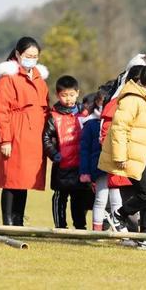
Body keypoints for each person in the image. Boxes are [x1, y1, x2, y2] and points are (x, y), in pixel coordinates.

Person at [100, 64, 146, 250]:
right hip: (132, 154)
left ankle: (145, 237)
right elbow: (119, 128)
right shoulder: (132, 98)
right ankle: (118, 216)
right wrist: (120, 155)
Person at [0, 36, 50, 226]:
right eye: (28, 55)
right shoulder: (8, 78)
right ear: (17, 54)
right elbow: (1, 111)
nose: (31, 59)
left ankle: (18, 220)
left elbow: (45, 107)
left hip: (34, 136)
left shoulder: (39, 79)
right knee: (11, 180)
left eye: (35, 56)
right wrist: (5, 140)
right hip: (16, 133)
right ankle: (8, 221)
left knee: (24, 181)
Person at [43, 75, 93, 229]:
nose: (68, 99)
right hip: (61, 164)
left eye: (71, 95)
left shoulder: (84, 114)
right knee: (60, 197)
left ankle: (80, 227)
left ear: (77, 93)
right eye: (64, 95)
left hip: (80, 164)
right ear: (58, 95)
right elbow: (46, 138)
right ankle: (60, 227)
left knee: (79, 197)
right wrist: (53, 154)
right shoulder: (53, 116)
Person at [79, 89, 122, 231]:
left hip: (116, 166)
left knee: (117, 200)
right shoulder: (90, 125)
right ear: (98, 102)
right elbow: (84, 150)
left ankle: (119, 230)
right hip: (99, 168)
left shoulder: (118, 122)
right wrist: (85, 172)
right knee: (100, 199)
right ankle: (96, 232)